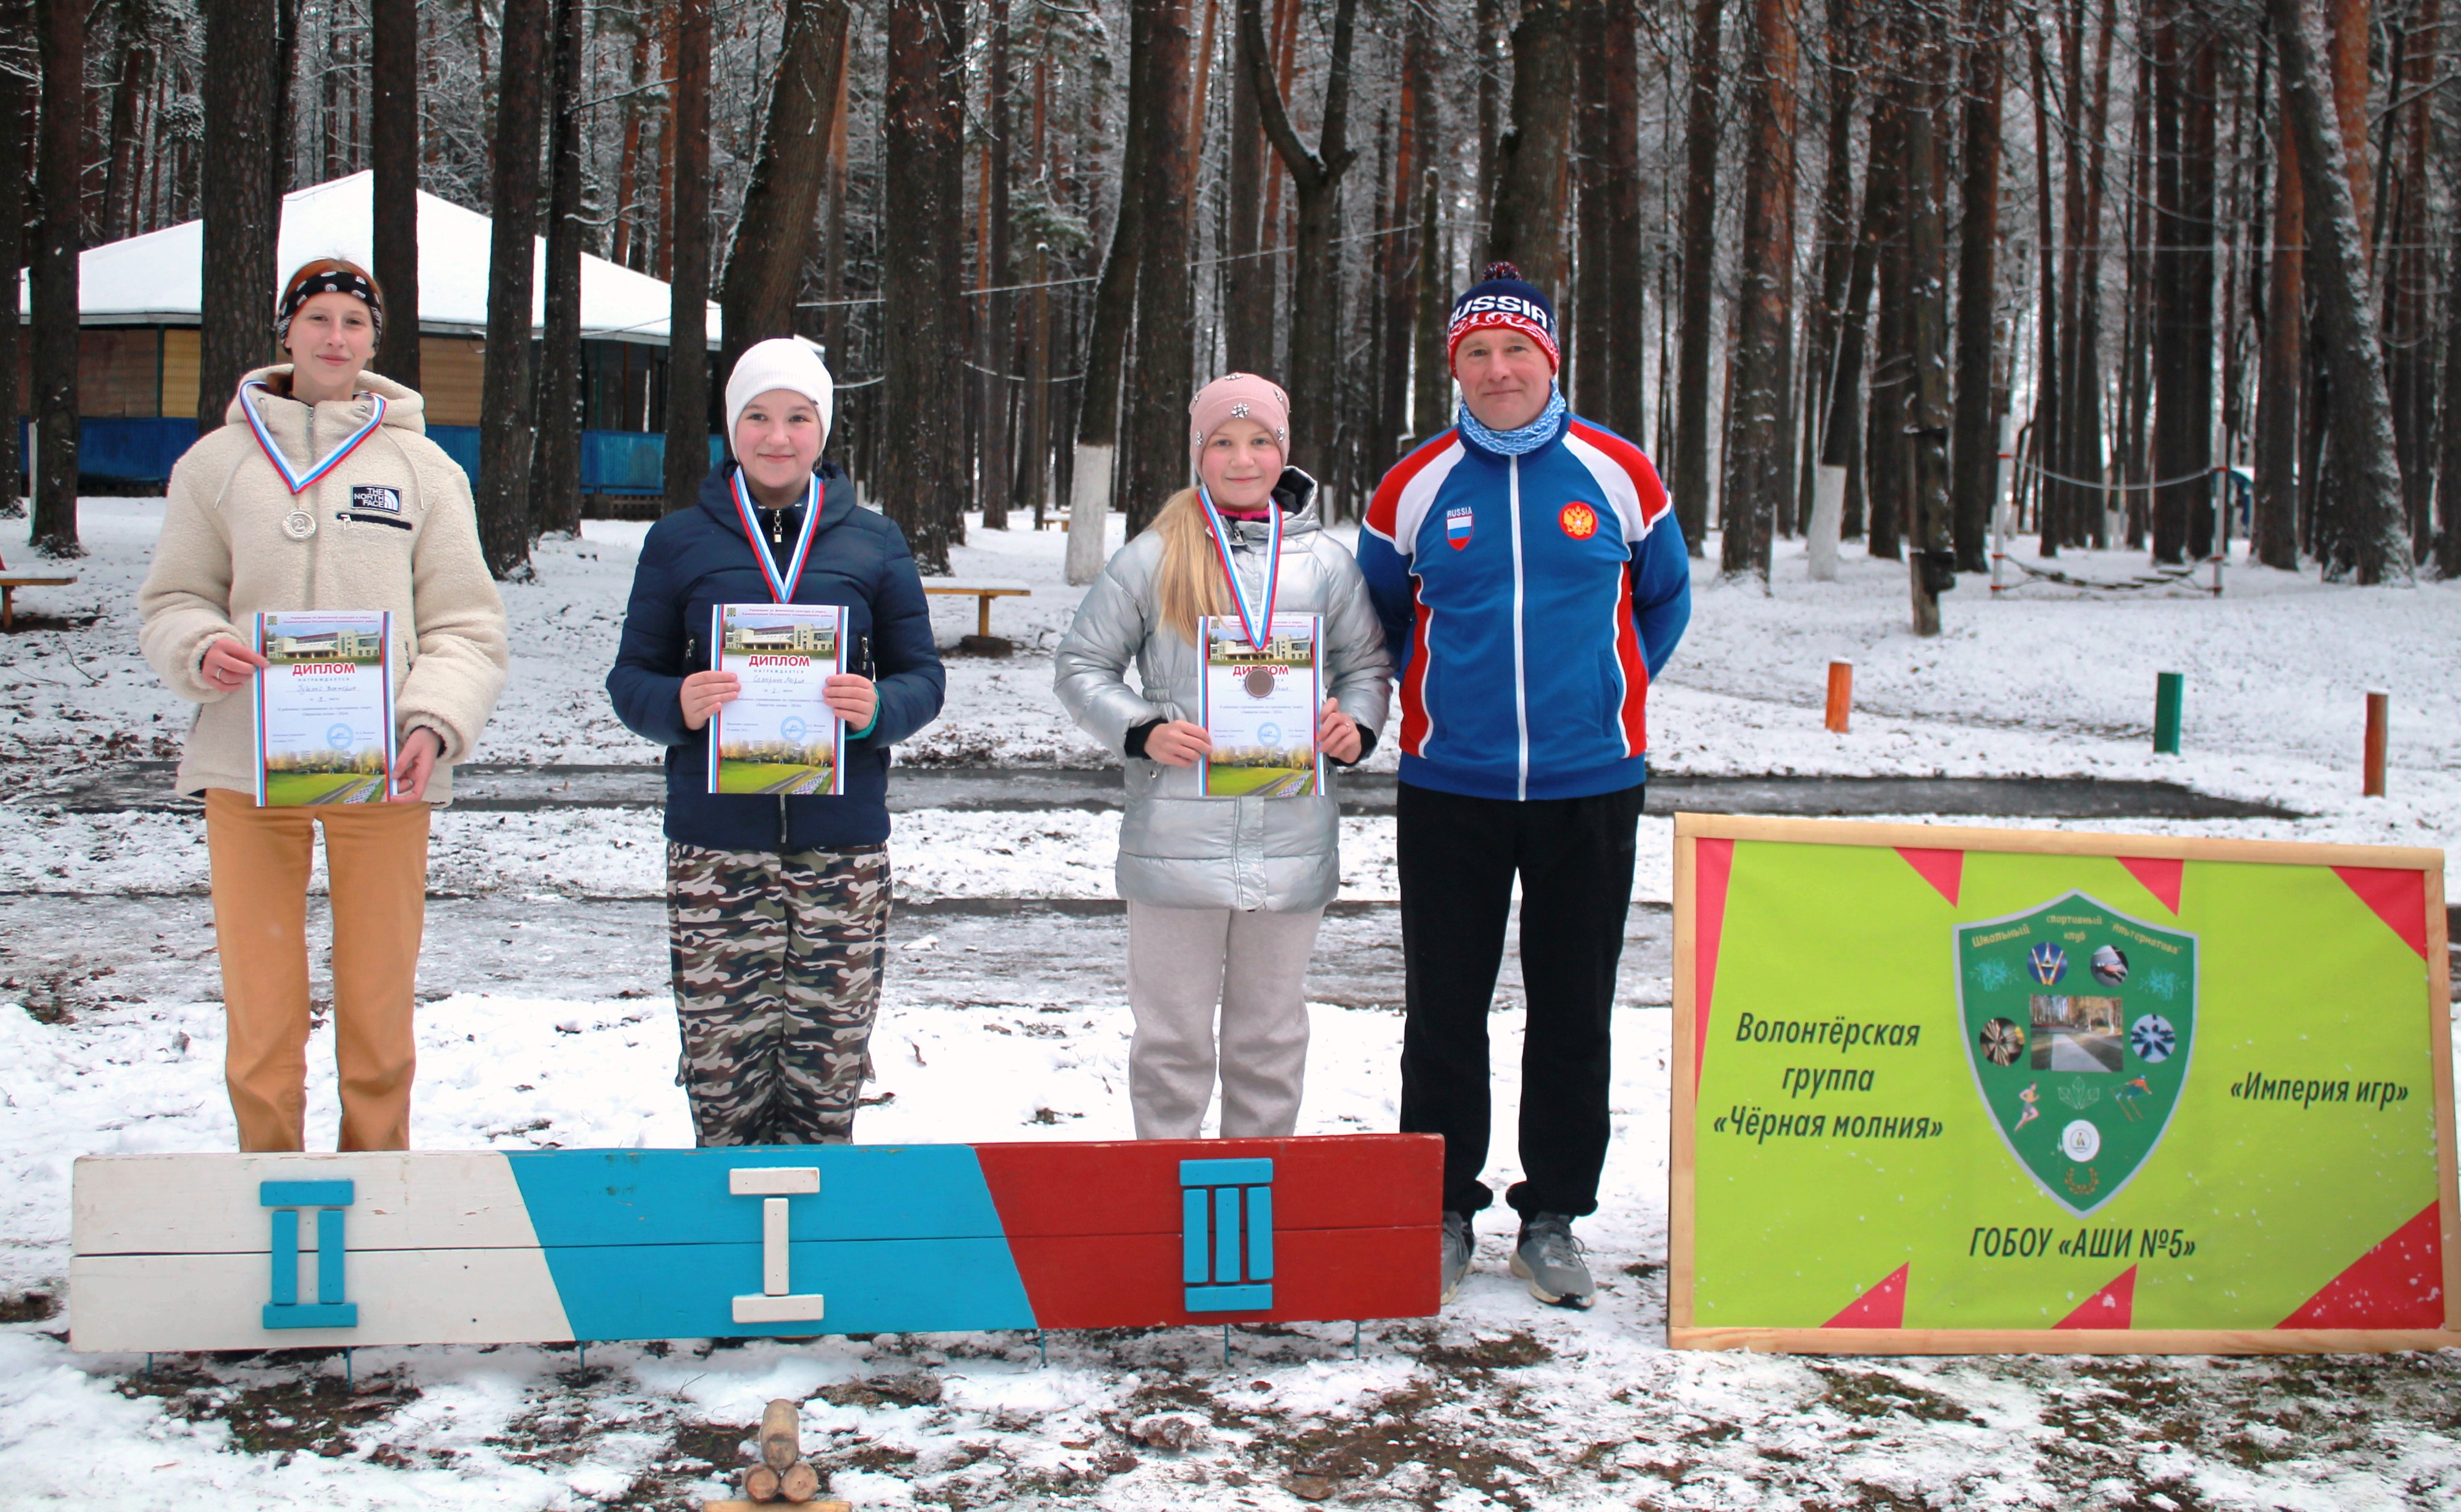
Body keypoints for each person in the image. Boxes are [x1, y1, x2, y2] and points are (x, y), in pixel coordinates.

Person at [1357, 263, 1691, 1308]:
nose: (1497, 370)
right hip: (1448, 784)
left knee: (1571, 1006)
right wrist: (1442, 708)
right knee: (1442, 1006)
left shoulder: (1618, 475)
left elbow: (1663, 603)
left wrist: (1599, 698)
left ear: (1550, 360)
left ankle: (1551, 1214)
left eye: (1516, 351)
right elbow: (1383, 619)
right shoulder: (1410, 487)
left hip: (1587, 785)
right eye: (1475, 353)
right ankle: (1442, 1206)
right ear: (1452, 366)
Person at [137, 256, 510, 1152]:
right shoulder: (216, 465)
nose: (335, 338)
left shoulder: (423, 469)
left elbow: (467, 623)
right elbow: (173, 599)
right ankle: (268, 1174)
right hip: (245, 764)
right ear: (287, 333)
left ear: (375, 341)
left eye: (353, 322)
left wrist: (434, 720)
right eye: (318, 320)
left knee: (378, 993)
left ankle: (375, 1173)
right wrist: (199, 645)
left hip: (384, 768)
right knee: (261, 994)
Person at [606, 337, 944, 1146]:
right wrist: (680, 703)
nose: (777, 437)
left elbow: (923, 679)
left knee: (826, 1074)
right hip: (716, 848)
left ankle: (817, 1250)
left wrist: (875, 708)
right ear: (732, 425)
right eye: (757, 416)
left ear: (822, 429)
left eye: (797, 418)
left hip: (842, 846)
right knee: (724, 1075)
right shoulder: (679, 541)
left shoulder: (874, 541)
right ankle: (727, 1247)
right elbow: (631, 683)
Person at [1055, 374, 1391, 1139]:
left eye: (1260, 440)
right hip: (1176, 842)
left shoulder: (1328, 566)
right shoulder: (1153, 557)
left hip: (1292, 840)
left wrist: (1358, 728)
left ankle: (1254, 1201)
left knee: (1269, 1040)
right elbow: (1081, 667)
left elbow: (1367, 666)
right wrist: (1142, 730)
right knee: (1172, 1042)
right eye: (1223, 442)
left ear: (1284, 450)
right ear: (1198, 452)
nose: (1243, 458)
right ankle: (1166, 1203)